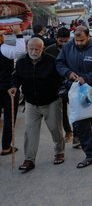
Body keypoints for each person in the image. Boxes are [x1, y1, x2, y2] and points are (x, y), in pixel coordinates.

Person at [56, 26, 92, 169]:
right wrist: (68, 73)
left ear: (88, 37)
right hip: (75, 93)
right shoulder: (67, 47)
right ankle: (90, 155)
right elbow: (59, 63)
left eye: (82, 40)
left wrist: (86, 78)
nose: (78, 43)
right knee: (81, 123)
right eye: (76, 40)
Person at [9, 38, 64, 172]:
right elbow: (16, 77)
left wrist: (62, 92)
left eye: (36, 49)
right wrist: (14, 87)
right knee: (30, 131)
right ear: (27, 48)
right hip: (31, 103)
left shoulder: (51, 61)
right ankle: (29, 159)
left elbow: (60, 79)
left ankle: (59, 152)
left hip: (51, 101)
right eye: (30, 49)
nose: (33, 52)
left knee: (55, 129)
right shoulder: (22, 62)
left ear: (42, 49)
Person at [45, 27, 75, 145]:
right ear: (56, 39)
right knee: (61, 111)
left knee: (75, 109)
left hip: (72, 84)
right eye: (60, 41)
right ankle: (68, 132)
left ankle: (77, 135)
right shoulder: (49, 50)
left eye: (65, 41)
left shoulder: (74, 48)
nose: (63, 44)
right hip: (56, 85)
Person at [0, 25, 26, 156]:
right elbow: (20, 52)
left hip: (6, 88)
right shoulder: (3, 48)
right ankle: (5, 147)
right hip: (8, 89)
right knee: (9, 118)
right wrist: (19, 34)